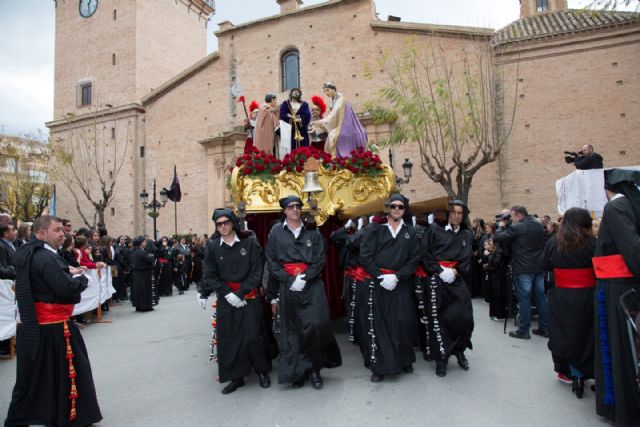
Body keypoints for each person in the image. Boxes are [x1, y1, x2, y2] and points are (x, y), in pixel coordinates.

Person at [4, 215, 102, 426]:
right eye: (57, 230)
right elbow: (66, 288)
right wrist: (81, 279)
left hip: (35, 326)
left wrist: (67, 272)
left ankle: (32, 415)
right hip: (54, 327)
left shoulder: (32, 253)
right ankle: (67, 416)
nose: (63, 234)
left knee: (36, 377)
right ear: (41, 233)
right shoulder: (46, 257)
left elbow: (45, 280)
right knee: (60, 374)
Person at [266, 195, 342, 389]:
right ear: (284, 210)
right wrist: (290, 279)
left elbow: (319, 260)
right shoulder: (275, 232)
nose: (295, 210)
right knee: (292, 330)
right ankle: (297, 371)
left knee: (315, 326)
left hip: (312, 285)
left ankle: (315, 370)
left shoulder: (312, 232)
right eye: (290, 207)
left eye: (298, 206)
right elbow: (272, 261)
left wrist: (305, 277)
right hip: (288, 286)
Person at [197, 208, 271, 394]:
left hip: (248, 297)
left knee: (253, 336)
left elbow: (256, 271)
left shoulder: (250, 242)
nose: (223, 226)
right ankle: (236, 377)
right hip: (226, 298)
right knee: (230, 338)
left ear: (232, 223)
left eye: (226, 222)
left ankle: (262, 371)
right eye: (219, 223)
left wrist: (241, 293)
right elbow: (210, 275)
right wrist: (228, 294)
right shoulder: (213, 247)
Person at [593, 168, 640, 426]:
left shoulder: (615, 208)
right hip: (624, 287)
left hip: (618, 290)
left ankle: (623, 409)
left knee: (619, 349)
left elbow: (633, 251)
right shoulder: (629, 206)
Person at [357, 194, 419, 382]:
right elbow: (365, 256)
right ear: (387, 208)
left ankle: (404, 359)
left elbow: (414, 259)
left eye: (401, 207)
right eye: (394, 206)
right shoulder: (374, 229)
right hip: (378, 283)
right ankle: (380, 367)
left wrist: (397, 277)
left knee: (402, 322)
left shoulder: (411, 231)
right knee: (379, 324)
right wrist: (380, 276)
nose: (397, 209)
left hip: (400, 283)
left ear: (404, 209)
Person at [541, 207, 596, 399]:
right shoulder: (593, 242)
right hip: (588, 295)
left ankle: (572, 372)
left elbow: (545, 265)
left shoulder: (554, 242)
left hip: (562, 295)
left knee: (565, 333)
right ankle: (584, 372)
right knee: (586, 333)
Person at [418, 200, 475, 377]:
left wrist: (455, 271)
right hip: (436, 279)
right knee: (439, 321)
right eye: (454, 212)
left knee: (464, 318)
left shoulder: (467, 235)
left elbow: (467, 259)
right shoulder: (434, 230)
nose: (456, 216)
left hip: (456, 280)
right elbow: (424, 253)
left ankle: (459, 351)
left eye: (460, 213)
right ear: (448, 214)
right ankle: (441, 359)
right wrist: (439, 270)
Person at [494, 205, 548, 340]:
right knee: (541, 297)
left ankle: (524, 330)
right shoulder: (538, 225)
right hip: (539, 267)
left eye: (512, 216)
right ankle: (545, 328)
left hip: (523, 267)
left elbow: (499, 237)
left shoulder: (517, 227)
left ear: (518, 215)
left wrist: (501, 225)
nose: (511, 219)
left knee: (524, 299)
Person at [312, 82, 367, 158]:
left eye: (327, 90)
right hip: (338, 125)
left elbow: (333, 115)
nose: (326, 93)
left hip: (346, 126)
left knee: (333, 136)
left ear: (334, 89)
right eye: (325, 92)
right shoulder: (333, 102)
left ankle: (341, 158)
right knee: (329, 136)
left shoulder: (340, 100)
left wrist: (321, 122)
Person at [130, 236, 155, 312]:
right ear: (140, 243)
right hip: (143, 273)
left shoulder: (135, 251)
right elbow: (149, 259)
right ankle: (145, 306)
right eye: (144, 242)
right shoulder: (140, 252)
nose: (146, 243)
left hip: (139, 273)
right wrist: (151, 257)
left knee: (139, 290)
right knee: (143, 290)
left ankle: (139, 306)